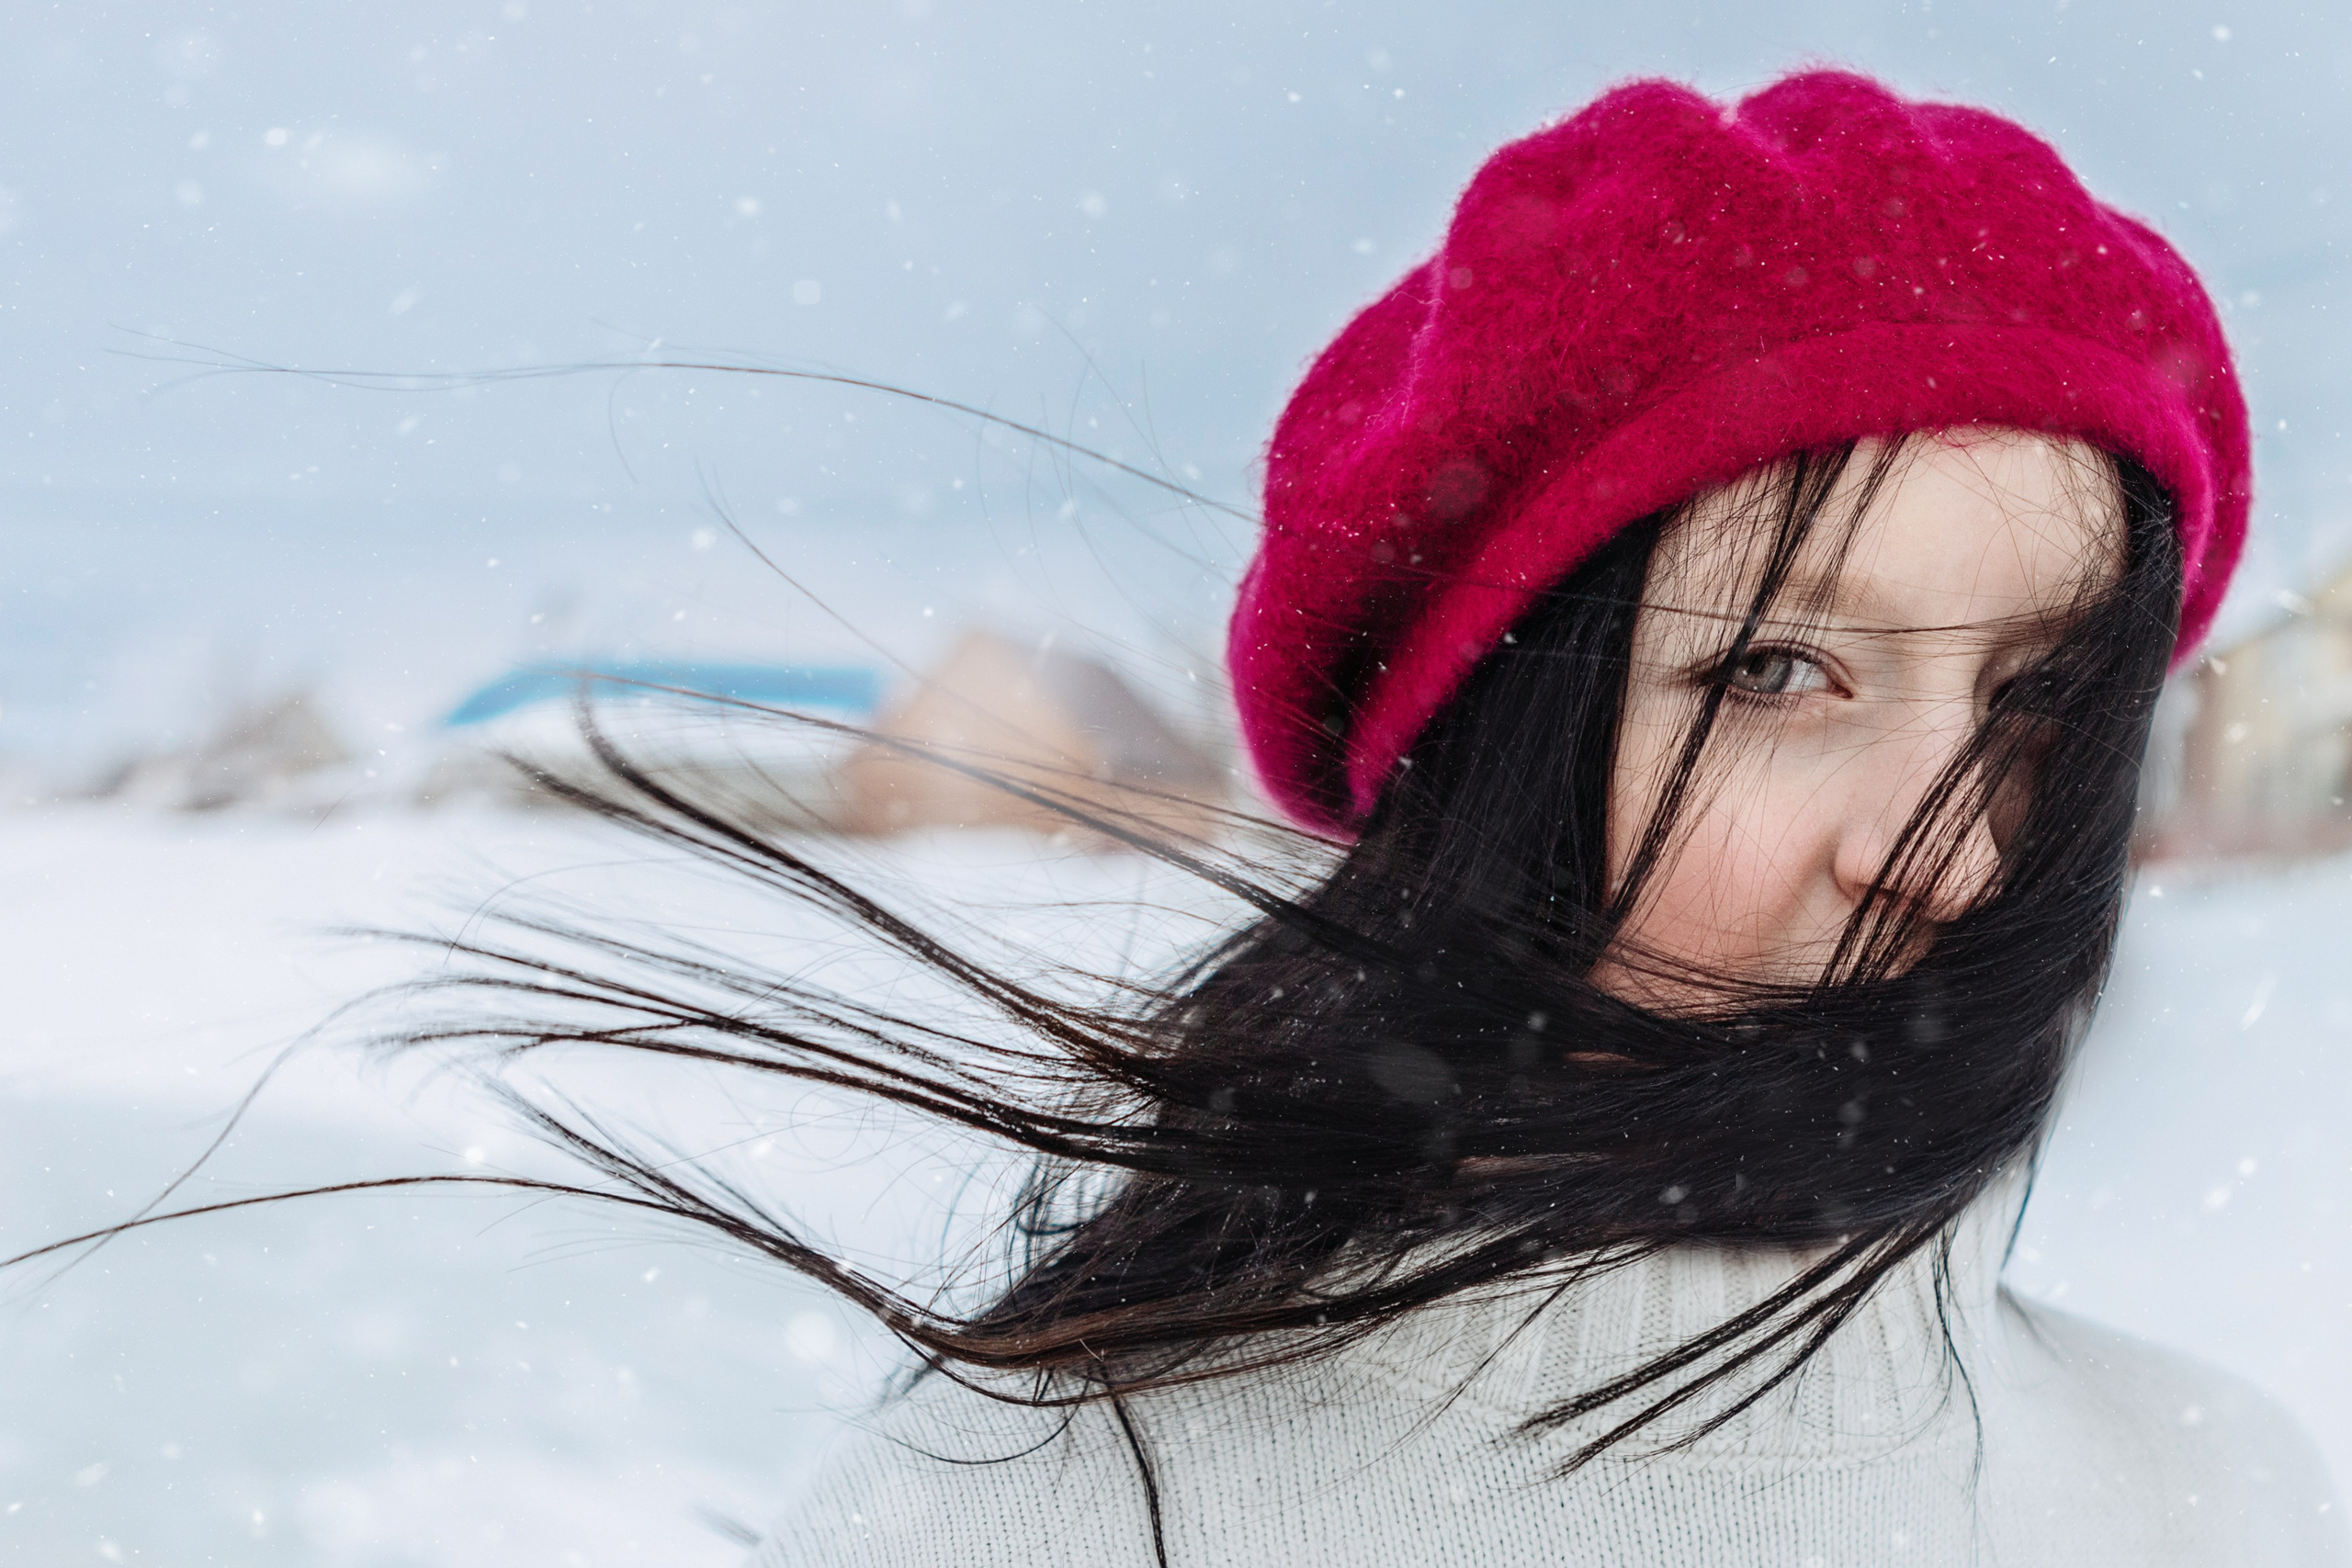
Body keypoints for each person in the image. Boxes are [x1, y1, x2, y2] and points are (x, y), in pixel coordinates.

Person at [434, 71, 2346, 1564]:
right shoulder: (1059, 1515)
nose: (1954, 855)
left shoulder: (2212, 1488)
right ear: (1494, 765)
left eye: (2036, 700)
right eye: (1774, 673)